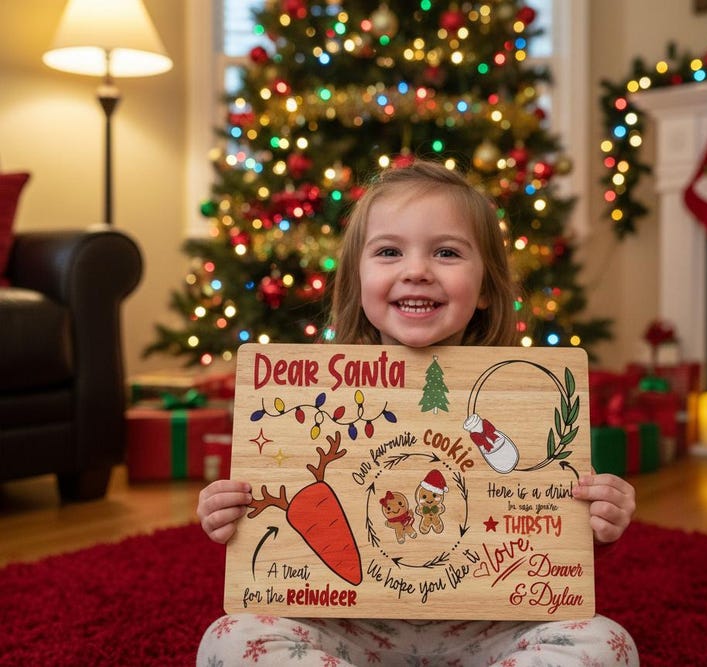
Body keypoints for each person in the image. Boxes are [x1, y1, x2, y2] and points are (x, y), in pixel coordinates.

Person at [196, 159, 639, 666]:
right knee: (230, 638)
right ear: (357, 281)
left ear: (488, 289)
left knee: (607, 645)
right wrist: (228, 510)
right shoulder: (317, 392)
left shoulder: (520, 396)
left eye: (446, 252)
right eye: (388, 252)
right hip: (347, 623)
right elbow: (274, 530)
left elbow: (545, 525)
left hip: (489, 625)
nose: (416, 271)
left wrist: (598, 520)